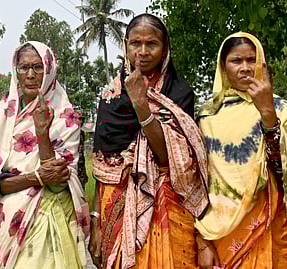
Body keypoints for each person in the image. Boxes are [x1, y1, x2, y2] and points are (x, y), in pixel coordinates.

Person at [89, 13, 209, 269]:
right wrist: (96, 218)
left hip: (165, 201)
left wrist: (141, 105)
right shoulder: (111, 96)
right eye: (136, 44)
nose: (142, 52)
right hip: (116, 203)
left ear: (164, 48)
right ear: (126, 46)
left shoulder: (179, 94)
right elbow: (102, 169)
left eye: (151, 44)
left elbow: (169, 157)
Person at [194, 32, 287, 269]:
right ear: (223, 67)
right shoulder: (207, 115)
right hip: (220, 232)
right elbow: (199, 180)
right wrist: (201, 237)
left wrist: (267, 114)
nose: (245, 68)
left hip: (271, 225)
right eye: (236, 61)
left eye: (251, 60)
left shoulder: (282, 110)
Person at [0, 41, 89, 269]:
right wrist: (35, 178)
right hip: (11, 220)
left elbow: (57, 181)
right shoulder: (2, 114)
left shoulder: (65, 117)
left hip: (52, 216)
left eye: (38, 68)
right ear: (15, 71)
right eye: (23, 67)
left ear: (49, 70)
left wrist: (42, 132)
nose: (30, 75)